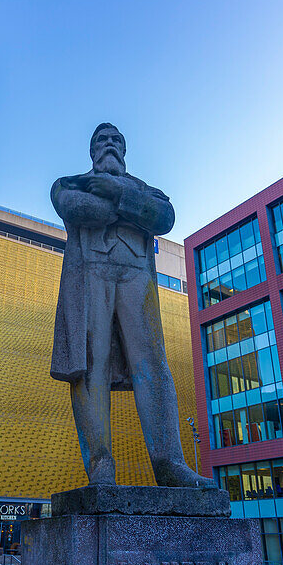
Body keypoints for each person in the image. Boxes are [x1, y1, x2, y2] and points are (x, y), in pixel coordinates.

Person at [50, 123, 213, 488]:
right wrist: (130, 207)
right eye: (101, 140)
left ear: (124, 150)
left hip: (137, 278)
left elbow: (164, 219)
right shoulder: (69, 183)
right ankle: (101, 467)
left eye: (116, 140)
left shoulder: (146, 191)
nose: (109, 144)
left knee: (153, 365)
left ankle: (170, 464)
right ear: (91, 151)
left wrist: (119, 193)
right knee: (91, 366)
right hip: (91, 276)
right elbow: (80, 209)